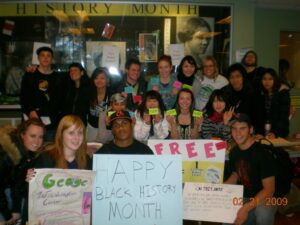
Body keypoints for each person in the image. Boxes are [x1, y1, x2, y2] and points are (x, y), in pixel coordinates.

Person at [225, 113, 276, 225]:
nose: (237, 133)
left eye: (242, 128)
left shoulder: (262, 154)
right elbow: (236, 174)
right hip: (244, 197)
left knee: (263, 213)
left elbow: (269, 190)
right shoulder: (234, 152)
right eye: (234, 129)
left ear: (251, 129)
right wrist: (223, 188)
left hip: (264, 197)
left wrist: (245, 209)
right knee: (227, 216)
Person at [0, 119, 45, 225]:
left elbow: (18, 184)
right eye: (33, 136)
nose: (37, 141)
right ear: (22, 135)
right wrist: (7, 216)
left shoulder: (28, 154)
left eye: (40, 137)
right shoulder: (5, 154)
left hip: (8, 192)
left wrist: (16, 211)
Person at [20, 46, 64, 141]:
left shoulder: (58, 78)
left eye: (48, 56)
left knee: (48, 150)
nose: (45, 58)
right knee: (31, 149)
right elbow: (24, 97)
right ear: (38, 58)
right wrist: (31, 111)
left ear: (52, 59)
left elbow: (59, 100)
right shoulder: (30, 75)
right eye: (42, 55)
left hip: (50, 125)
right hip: (32, 121)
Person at [221, 63, 258, 131]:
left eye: (238, 76)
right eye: (232, 77)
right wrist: (197, 115)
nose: (235, 80)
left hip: (248, 130)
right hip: (228, 130)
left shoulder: (252, 93)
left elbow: (258, 116)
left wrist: (259, 132)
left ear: (243, 77)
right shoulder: (224, 92)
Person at [255, 68, 291, 139]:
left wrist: (276, 133)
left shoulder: (283, 93)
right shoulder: (261, 94)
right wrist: (259, 133)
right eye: (264, 79)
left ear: (275, 80)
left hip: (279, 133)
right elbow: (259, 116)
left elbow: (283, 117)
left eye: (270, 79)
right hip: (263, 134)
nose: (267, 82)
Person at [87, 67, 112, 142]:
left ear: (107, 80)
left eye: (102, 78)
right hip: (91, 128)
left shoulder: (112, 94)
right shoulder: (89, 93)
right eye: (96, 78)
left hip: (106, 130)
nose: (99, 81)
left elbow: (115, 111)